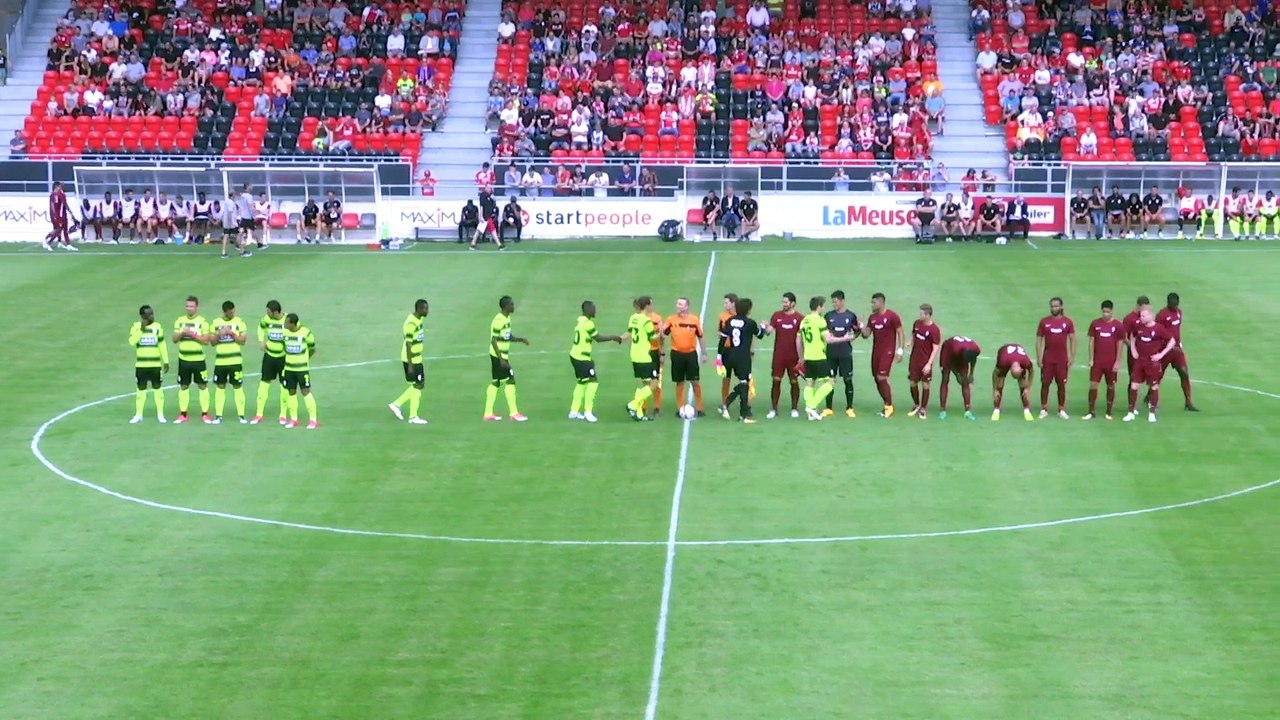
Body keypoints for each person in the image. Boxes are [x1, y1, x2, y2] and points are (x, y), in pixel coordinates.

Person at [569, 300, 624, 422]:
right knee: (593, 382)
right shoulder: (588, 324)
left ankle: (574, 411)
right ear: (587, 310)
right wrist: (614, 337)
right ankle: (588, 412)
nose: (595, 311)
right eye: (593, 308)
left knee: (582, 383)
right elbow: (598, 338)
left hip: (575, 355)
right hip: (582, 358)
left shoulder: (580, 321)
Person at [718, 297, 768, 423]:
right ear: (748, 310)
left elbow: (723, 339)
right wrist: (763, 326)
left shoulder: (730, 320)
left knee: (743, 383)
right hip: (743, 357)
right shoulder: (749, 322)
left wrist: (719, 356)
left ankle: (728, 406)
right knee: (744, 383)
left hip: (730, 355)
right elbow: (760, 335)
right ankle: (743, 414)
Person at [1124, 308, 1176, 423]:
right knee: (1134, 386)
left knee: (1154, 387)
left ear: (1150, 316)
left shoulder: (1158, 328)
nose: (1141, 318)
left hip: (1152, 362)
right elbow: (1132, 336)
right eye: (1140, 316)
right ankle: (1131, 412)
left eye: (1143, 316)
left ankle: (1152, 413)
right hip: (1139, 361)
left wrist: (1161, 354)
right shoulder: (1139, 327)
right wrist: (1133, 350)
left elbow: (1172, 341)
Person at [797, 296, 842, 420]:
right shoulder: (820, 320)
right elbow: (828, 339)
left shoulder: (804, 320)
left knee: (809, 383)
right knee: (830, 382)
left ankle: (810, 413)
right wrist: (845, 338)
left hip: (808, 357)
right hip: (819, 357)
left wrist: (801, 356)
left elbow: (798, 340)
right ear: (819, 307)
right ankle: (811, 406)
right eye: (823, 306)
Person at [485, 295, 529, 421]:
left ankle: (488, 413)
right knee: (510, 380)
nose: (513, 306)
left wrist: (520, 339)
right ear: (506, 306)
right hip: (498, 356)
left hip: (500, 356)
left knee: (496, 383)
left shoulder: (507, 318)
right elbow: (493, 340)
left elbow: (506, 336)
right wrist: (501, 359)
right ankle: (514, 413)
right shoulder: (499, 320)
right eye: (511, 305)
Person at [388, 299, 430, 425]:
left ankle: (398, 406)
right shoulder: (410, 324)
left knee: (418, 385)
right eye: (425, 309)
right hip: (411, 359)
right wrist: (411, 365)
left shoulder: (418, 319)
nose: (427, 311)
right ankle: (411, 415)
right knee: (418, 385)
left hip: (417, 358)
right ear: (419, 309)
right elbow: (408, 344)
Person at [862, 292, 904, 418]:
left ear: (881, 302)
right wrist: (861, 325)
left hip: (888, 351)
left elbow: (900, 332)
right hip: (876, 352)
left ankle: (889, 406)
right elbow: (866, 335)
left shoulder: (892, 316)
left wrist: (900, 350)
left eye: (874, 302)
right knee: (877, 378)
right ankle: (886, 405)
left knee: (881, 377)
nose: (872, 305)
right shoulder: (872, 317)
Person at [171, 295, 212, 424]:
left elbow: (206, 340)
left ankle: (205, 414)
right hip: (184, 359)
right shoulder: (179, 321)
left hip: (198, 360)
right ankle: (183, 414)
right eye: (187, 306)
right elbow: (174, 339)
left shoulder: (202, 322)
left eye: (192, 306)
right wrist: (182, 333)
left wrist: (192, 334)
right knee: (183, 386)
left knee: (202, 385)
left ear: (197, 307)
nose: (189, 308)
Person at [821, 290, 860, 418]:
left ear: (842, 301)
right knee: (830, 381)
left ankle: (849, 408)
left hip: (845, 353)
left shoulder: (851, 316)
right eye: (832, 302)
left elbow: (856, 331)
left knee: (848, 380)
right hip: (831, 353)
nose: (834, 304)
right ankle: (828, 408)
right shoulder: (828, 316)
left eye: (836, 301)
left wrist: (853, 337)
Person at [664, 297, 706, 418]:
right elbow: (663, 334)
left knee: (695, 381)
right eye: (677, 303)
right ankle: (680, 408)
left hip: (691, 354)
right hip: (677, 354)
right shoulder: (671, 320)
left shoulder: (694, 320)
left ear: (687, 306)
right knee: (679, 382)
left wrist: (704, 353)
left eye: (680, 304)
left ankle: (699, 408)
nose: (678, 306)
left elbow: (700, 336)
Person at [1035, 296, 1076, 419]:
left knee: (1061, 385)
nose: (1054, 308)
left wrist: (1072, 356)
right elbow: (1038, 339)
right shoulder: (1044, 322)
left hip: (1062, 359)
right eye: (1052, 306)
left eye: (1056, 306)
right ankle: (1044, 409)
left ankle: (1061, 409)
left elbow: (1073, 339)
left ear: (1061, 307)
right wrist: (1039, 357)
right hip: (1048, 359)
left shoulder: (1067, 322)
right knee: (1045, 384)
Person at [1156, 292, 1198, 411]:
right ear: (1168, 303)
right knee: (1158, 376)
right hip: (1164, 349)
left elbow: (1176, 330)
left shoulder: (1179, 313)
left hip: (1177, 350)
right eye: (1171, 304)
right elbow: (1157, 332)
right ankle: (1151, 396)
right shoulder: (1161, 315)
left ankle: (1188, 402)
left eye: (1175, 304)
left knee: (1184, 372)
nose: (1174, 306)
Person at [209, 300, 249, 424]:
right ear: (225, 311)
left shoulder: (239, 322)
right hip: (220, 362)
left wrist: (231, 333)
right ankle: (218, 416)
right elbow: (212, 342)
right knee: (220, 387)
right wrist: (218, 334)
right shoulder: (216, 323)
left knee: (237, 386)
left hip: (235, 361)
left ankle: (241, 415)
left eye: (233, 311)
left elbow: (242, 341)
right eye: (230, 312)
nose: (232, 313)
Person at [1083, 299, 1124, 420]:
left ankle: (1109, 412)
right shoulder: (1095, 324)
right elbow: (1091, 341)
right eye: (1104, 312)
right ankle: (1091, 411)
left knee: (1111, 385)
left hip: (1111, 362)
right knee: (1093, 384)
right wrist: (1091, 359)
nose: (1105, 314)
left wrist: (1117, 361)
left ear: (1112, 311)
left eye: (1107, 312)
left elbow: (1120, 343)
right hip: (1097, 361)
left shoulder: (1118, 325)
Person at [128, 304, 169, 424]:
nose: (151, 316)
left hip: (155, 365)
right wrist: (141, 329)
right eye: (148, 314)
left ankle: (160, 415)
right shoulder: (136, 327)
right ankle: (138, 414)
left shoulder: (157, 327)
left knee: (158, 389)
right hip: (141, 365)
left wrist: (165, 360)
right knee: (141, 390)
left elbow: (162, 344)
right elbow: (132, 341)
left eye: (152, 313)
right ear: (142, 316)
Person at [764, 293, 803, 418]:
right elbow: (769, 332)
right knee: (776, 381)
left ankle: (794, 408)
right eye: (783, 302)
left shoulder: (800, 318)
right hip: (779, 356)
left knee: (794, 382)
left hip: (794, 356)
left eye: (786, 302)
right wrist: (765, 327)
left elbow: (802, 338)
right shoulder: (777, 316)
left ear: (793, 303)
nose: (784, 304)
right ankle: (774, 409)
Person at [252, 300, 289, 424]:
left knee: (284, 385)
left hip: (283, 358)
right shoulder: (267, 319)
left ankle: (283, 415)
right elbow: (261, 328)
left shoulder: (287, 320)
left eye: (268, 312)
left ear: (275, 312)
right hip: (269, 356)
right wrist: (261, 340)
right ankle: (259, 414)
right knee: (264, 383)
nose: (266, 314)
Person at [281, 313, 319, 429]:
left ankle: (313, 420)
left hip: (302, 369)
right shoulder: (285, 333)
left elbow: (312, 349)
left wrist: (305, 359)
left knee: (305, 392)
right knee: (291, 392)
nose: (284, 324)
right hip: (289, 369)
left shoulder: (306, 333)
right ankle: (293, 419)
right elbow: (284, 347)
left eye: (286, 322)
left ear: (293, 323)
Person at [625, 296, 660, 421]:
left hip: (634, 355)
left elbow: (630, 334)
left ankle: (639, 414)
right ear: (647, 306)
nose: (653, 306)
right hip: (644, 356)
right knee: (654, 383)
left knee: (643, 384)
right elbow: (653, 338)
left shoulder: (633, 318)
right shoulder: (646, 321)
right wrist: (661, 332)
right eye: (651, 304)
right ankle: (633, 405)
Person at [906, 303, 942, 419]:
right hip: (914, 359)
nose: (919, 315)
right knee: (912, 382)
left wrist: (929, 364)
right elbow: (913, 334)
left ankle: (923, 408)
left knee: (925, 384)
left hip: (925, 361)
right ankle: (916, 404)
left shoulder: (934, 329)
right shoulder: (917, 323)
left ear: (927, 315)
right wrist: (910, 342)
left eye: (921, 313)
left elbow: (936, 347)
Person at [937, 335, 980, 420]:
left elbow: (973, 359)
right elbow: (951, 362)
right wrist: (957, 375)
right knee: (945, 378)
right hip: (947, 352)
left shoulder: (976, 349)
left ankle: (967, 411)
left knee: (965, 381)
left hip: (961, 352)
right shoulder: (955, 349)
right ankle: (942, 410)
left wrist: (971, 374)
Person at [991, 342, 1035, 421]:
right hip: (1004, 352)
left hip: (1017, 355)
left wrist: (1028, 388)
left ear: (1022, 369)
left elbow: (1032, 371)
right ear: (1010, 369)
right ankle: (996, 409)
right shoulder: (1003, 362)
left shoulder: (1026, 362)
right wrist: (994, 389)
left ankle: (1026, 409)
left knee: (1023, 386)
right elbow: (995, 373)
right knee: (999, 384)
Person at [715, 293, 738, 406]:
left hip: (738, 351)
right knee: (726, 377)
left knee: (744, 378)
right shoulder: (722, 316)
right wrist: (719, 355)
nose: (724, 305)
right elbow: (720, 333)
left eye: (726, 302)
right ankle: (724, 403)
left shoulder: (741, 316)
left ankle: (746, 402)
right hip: (726, 351)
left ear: (733, 303)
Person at [44, 181, 75, 251]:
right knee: (57, 230)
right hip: (59, 216)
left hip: (62, 215)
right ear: (57, 186)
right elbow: (55, 206)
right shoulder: (56, 194)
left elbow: (63, 205)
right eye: (61, 186)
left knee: (64, 230)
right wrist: (55, 215)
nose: (62, 187)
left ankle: (66, 244)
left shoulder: (61, 194)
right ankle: (47, 242)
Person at [220, 192, 251, 258]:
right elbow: (230, 213)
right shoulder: (231, 203)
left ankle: (223, 252)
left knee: (226, 236)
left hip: (226, 222)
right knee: (239, 234)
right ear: (232, 196)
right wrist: (231, 223)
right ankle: (241, 251)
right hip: (231, 223)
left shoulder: (227, 202)